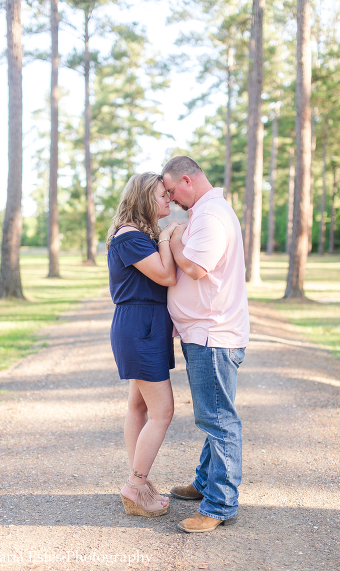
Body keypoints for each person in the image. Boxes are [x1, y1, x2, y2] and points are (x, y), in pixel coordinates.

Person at [160, 156, 250, 534]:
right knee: (214, 415)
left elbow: (196, 268)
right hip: (205, 333)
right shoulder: (205, 212)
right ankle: (204, 482)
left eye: (171, 190)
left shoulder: (211, 216)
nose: (170, 198)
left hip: (212, 336)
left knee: (218, 420)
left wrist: (173, 239)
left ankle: (219, 505)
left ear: (187, 180)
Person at [106, 172, 179, 517]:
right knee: (163, 412)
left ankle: (140, 481)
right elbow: (166, 275)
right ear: (144, 199)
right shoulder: (130, 236)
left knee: (138, 407)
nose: (169, 200)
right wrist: (165, 237)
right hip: (140, 327)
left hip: (145, 325)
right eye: (163, 195)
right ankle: (135, 487)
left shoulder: (136, 235)